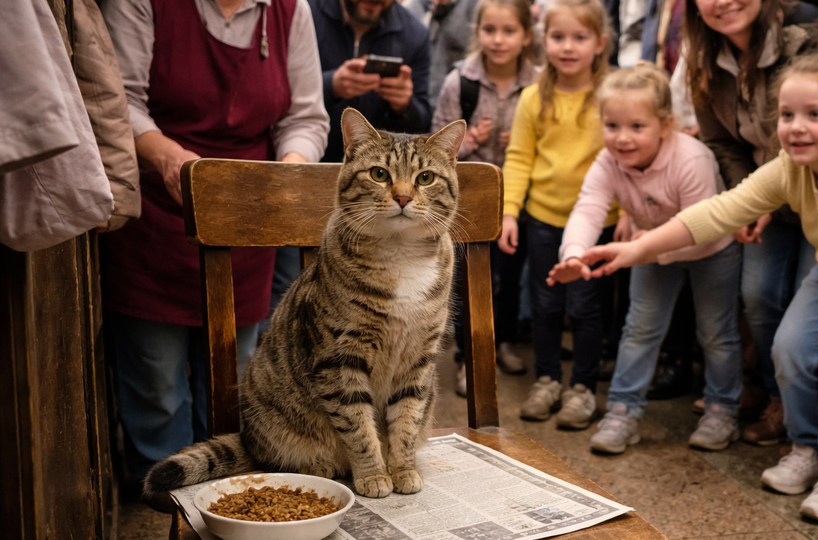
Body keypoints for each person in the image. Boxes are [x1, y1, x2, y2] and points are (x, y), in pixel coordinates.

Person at [579, 52, 818, 525]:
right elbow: (722, 211)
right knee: (788, 350)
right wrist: (636, 249)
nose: (796, 127)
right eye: (787, 115)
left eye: (815, 114)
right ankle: (806, 449)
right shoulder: (791, 165)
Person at [100, 0, 329, 497]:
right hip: (157, 216)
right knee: (157, 384)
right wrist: (168, 158)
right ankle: (167, 498)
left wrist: (289, 170)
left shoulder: (291, 11)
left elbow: (306, 117)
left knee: (235, 375)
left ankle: (228, 492)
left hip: (246, 217)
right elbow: (118, 100)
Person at [678, 0, 818, 444]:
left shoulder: (814, 37)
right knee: (758, 295)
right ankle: (779, 400)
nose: (723, 1)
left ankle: (813, 426)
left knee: (810, 307)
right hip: (766, 195)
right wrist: (752, 199)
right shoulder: (704, 56)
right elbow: (721, 141)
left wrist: (768, 195)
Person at [547, 63, 743, 454]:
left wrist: (648, 244)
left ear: (666, 125)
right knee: (639, 329)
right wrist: (574, 254)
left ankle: (723, 411)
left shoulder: (692, 159)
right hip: (648, 248)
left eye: (637, 126)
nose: (622, 138)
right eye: (612, 125)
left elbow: (702, 229)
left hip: (711, 249)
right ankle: (623, 411)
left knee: (716, 334)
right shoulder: (607, 162)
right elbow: (588, 209)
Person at [499, 0, 621, 430]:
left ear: (600, 43)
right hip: (544, 221)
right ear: (543, 41)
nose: (568, 47)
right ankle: (547, 380)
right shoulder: (533, 97)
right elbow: (519, 158)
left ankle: (583, 388)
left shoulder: (610, 95)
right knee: (546, 305)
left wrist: (626, 210)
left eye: (579, 38)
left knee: (585, 308)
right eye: (558, 37)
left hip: (597, 223)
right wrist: (509, 212)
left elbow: (624, 158)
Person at [431, 0, 539, 392]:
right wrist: (471, 140)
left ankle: (504, 342)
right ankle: (467, 357)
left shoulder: (539, 83)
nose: (498, 40)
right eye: (489, 30)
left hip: (519, 201)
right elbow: (433, 147)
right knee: (469, 279)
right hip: (470, 203)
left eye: (509, 31)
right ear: (477, 32)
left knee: (510, 277)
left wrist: (524, 141)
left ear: (526, 36)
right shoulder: (460, 81)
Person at [311, 0, 432, 163]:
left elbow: (423, 125)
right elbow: (282, 96)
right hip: (312, 159)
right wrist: (330, 86)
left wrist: (404, 106)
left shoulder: (415, 34)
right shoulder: (308, 13)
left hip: (378, 169)